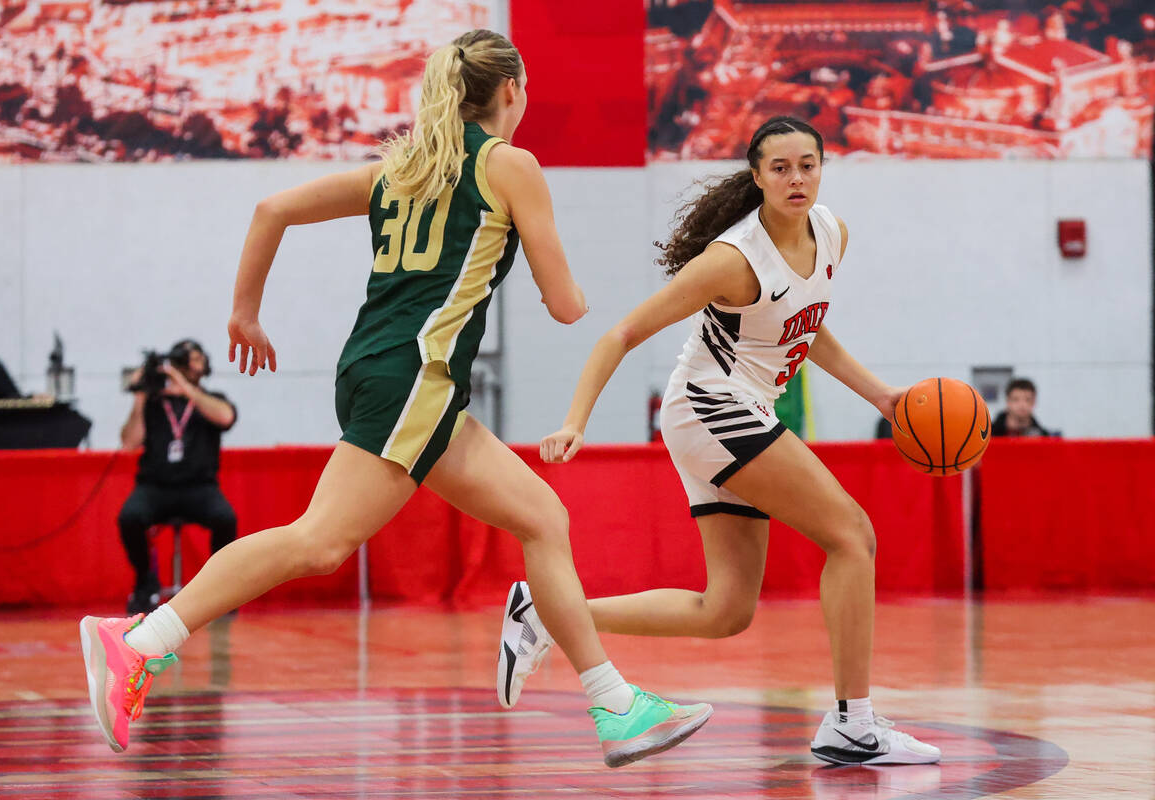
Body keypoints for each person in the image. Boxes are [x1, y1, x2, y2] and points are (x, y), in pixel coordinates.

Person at [79, 30, 711, 766]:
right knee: (320, 542)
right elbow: (566, 303)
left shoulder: (400, 167)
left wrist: (245, 314)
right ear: (512, 90)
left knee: (542, 517)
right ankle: (139, 639)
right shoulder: (508, 164)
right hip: (416, 375)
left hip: (385, 371)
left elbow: (270, 210)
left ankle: (614, 706)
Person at [507, 116, 941, 766]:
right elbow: (620, 334)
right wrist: (576, 420)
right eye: (781, 168)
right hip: (711, 405)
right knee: (852, 534)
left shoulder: (830, 233)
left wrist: (880, 396)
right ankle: (854, 723)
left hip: (733, 409)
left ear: (822, 167)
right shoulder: (733, 260)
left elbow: (804, 327)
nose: (797, 178)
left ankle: (545, 612)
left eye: (807, 165)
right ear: (758, 177)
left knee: (726, 609)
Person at [117, 339, 238, 614]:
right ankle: (145, 582)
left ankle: (221, 588)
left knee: (225, 518)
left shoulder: (212, 399)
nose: (195, 365)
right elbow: (128, 443)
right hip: (155, 486)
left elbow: (226, 417)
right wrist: (140, 397)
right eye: (189, 360)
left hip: (200, 487)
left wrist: (186, 389)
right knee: (129, 517)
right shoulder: (155, 404)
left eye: (198, 359)